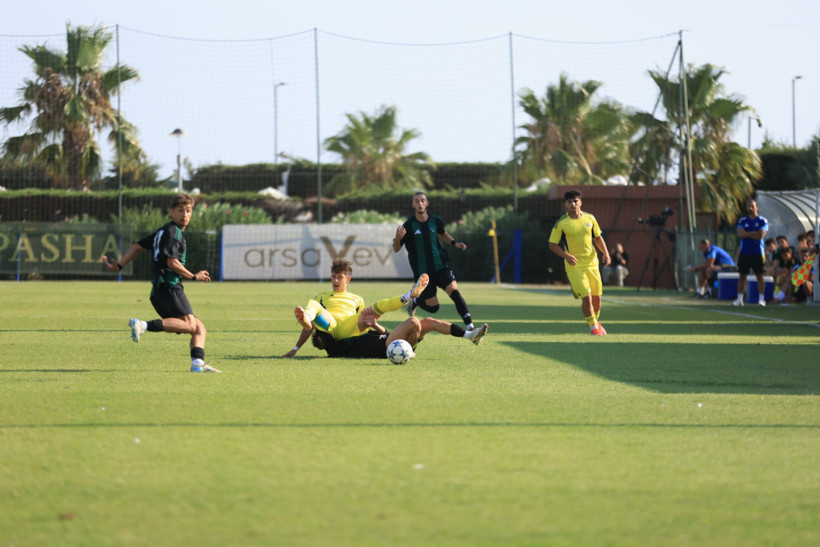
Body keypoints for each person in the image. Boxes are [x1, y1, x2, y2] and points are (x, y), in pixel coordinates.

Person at [101, 193, 220, 373]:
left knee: (199, 328)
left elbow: (137, 246)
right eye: (180, 210)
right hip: (168, 286)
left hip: (161, 289)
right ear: (171, 212)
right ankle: (143, 325)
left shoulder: (164, 230)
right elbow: (171, 262)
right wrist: (194, 276)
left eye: (188, 210)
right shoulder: (174, 232)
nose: (185, 214)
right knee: (191, 325)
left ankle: (197, 363)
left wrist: (119, 265)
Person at [283, 257, 429, 357]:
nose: (335, 280)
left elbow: (364, 323)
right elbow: (308, 328)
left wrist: (373, 327)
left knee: (375, 307)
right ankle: (307, 317)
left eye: (339, 277)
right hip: (330, 324)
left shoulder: (357, 299)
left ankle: (408, 295)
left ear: (348, 279)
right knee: (313, 304)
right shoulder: (322, 297)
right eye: (333, 276)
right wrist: (295, 349)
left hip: (350, 325)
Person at [393, 191, 476, 331]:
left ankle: (470, 325)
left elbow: (442, 233)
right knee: (434, 307)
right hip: (423, 273)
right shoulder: (408, 226)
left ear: (427, 203)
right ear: (413, 204)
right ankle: (416, 301)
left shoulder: (435, 220)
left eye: (422, 200)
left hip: (440, 266)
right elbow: (396, 249)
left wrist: (454, 243)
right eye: (417, 201)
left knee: (454, 292)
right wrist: (398, 237)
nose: (420, 203)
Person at [311, 307, 489, 359]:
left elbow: (385, 333)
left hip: (391, 341)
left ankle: (470, 336)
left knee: (427, 321)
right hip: (388, 348)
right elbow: (324, 332)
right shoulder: (338, 347)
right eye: (321, 340)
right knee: (413, 321)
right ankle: (409, 351)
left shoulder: (349, 336)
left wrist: (374, 325)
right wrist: (311, 318)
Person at [548, 189, 611, 336]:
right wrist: (566, 255)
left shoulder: (590, 219)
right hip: (574, 266)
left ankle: (595, 321)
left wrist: (606, 253)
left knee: (597, 298)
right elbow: (552, 244)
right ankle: (593, 328)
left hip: (592, 263)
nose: (573, 204)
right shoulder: (562, 224)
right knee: (586, 297)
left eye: (575, 201)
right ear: (565, 204)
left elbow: (598, 237)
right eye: (569, 201)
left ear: (580, 202)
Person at [733, 198, 768, 307]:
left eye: (752, 206)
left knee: (759, 276)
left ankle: (762, 299)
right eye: (748, 206)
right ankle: (739, 299)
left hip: (758, 253)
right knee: (742, 276)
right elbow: (740, 234)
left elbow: (760, 235)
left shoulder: (763, 220)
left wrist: (747, 233)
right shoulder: (742, 221)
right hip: (745, 252)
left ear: (756, 207)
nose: (750, 208)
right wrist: (753, 233)